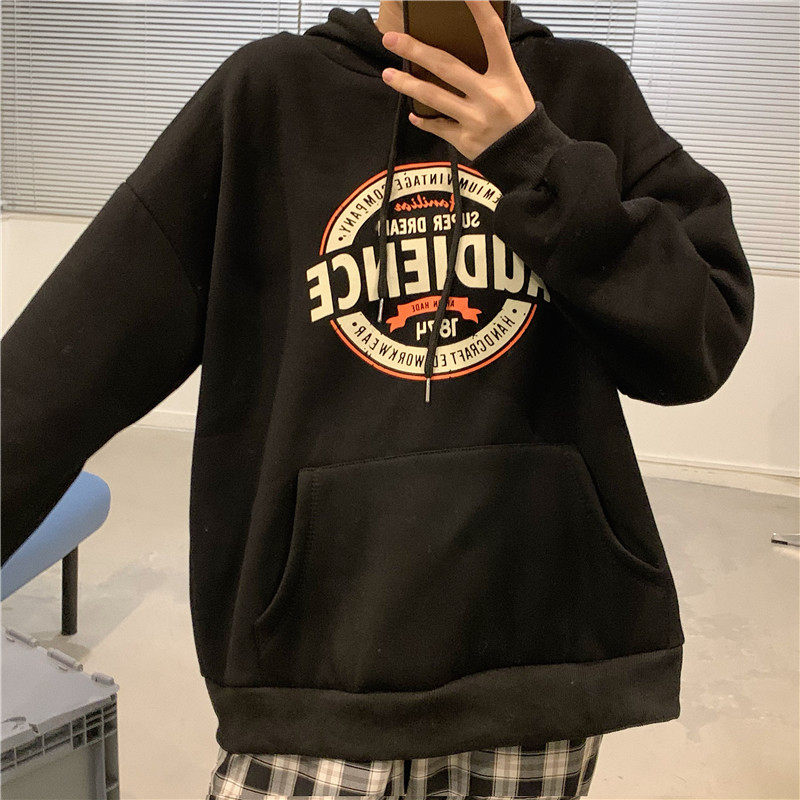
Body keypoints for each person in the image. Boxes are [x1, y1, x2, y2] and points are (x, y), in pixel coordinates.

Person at [1, 1, 754, 798]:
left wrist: (533, 153)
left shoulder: (587, 89)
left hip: (534, 664)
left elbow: (701, 338)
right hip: (313, 671)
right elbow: (67, 362)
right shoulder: (267, 95)